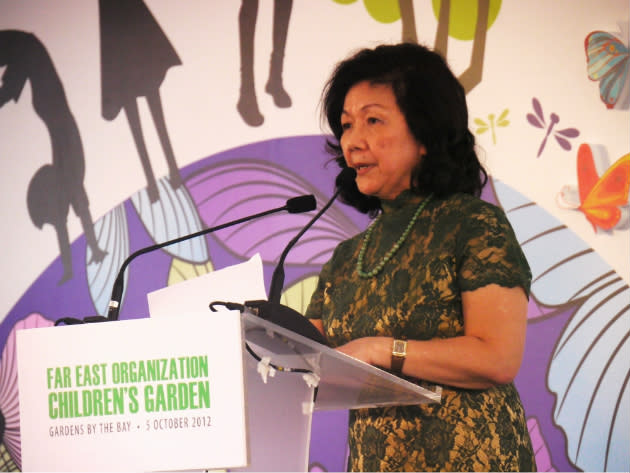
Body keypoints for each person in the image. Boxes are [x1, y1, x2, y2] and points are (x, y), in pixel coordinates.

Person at [305, 42, 537, 472]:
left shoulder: (472, 225)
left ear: (426, 134)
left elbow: (498, 358)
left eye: (373, 120)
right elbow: (307, 363)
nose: (352, 141)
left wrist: (379, 349)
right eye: (346, 124)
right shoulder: (346, 258)